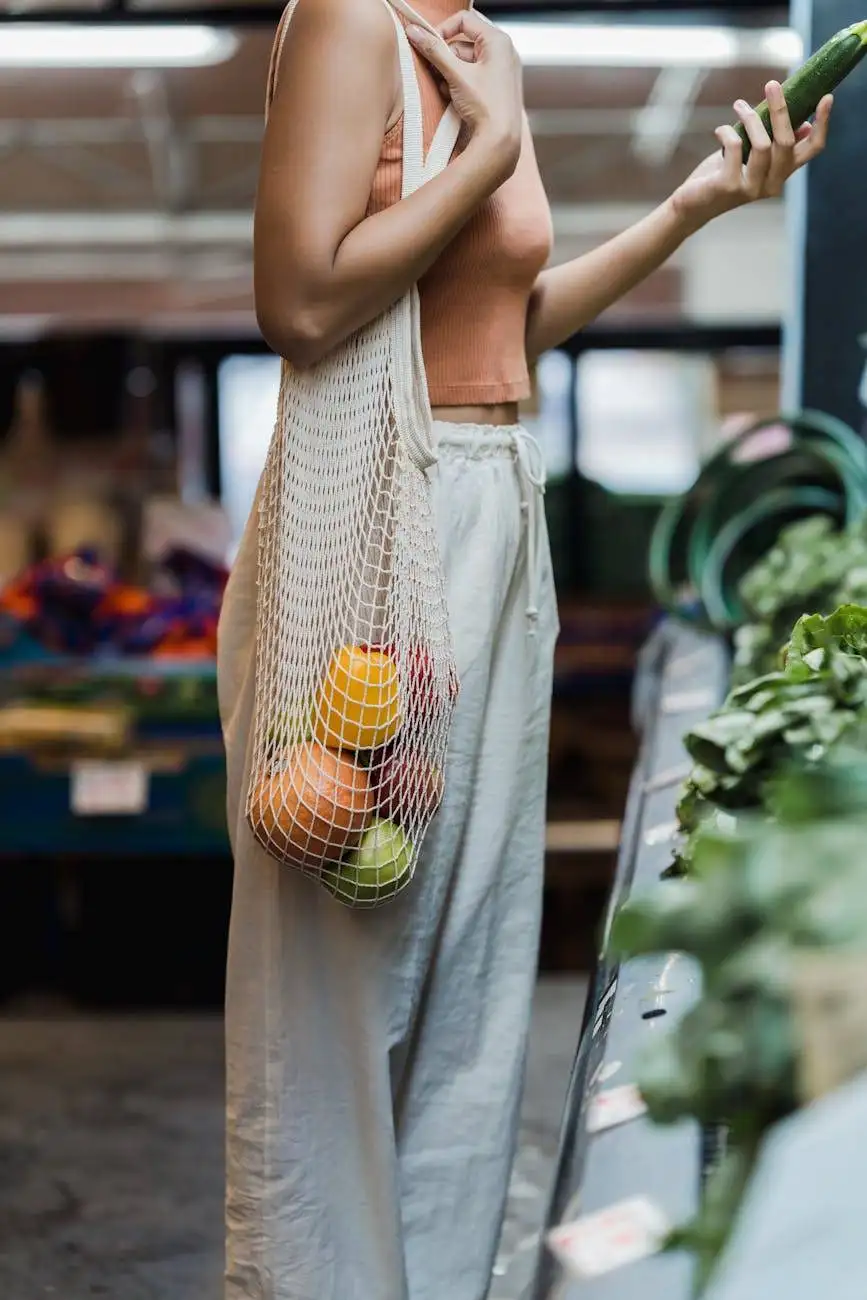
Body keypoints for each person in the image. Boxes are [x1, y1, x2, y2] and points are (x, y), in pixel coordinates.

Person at [216, 4, 832, 1298]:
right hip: (380, 507)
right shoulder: (347, 19)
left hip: (493, 498)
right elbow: (300, 300)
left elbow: (508, 321)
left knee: (473, 986)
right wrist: (487, 150)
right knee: (335, 988)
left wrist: (690, 210)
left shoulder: (477, 36)